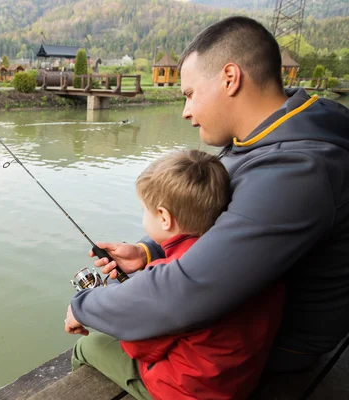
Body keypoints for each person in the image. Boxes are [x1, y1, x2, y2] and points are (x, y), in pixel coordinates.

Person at [65, 13, 349, 389]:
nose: (185, 111)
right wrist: (147, 252)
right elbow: (220, 225)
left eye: (189, 94)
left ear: (230, 78)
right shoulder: (264, 140)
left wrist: (84, 305)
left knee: (96, 345)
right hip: (249, 328)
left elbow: (186, 292)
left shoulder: (299, 171)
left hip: (272, 351)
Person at [70, 149, 285, 400]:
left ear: (163, 217)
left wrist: (111, 309)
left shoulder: (176, 281)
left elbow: (137, 346)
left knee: (87, 346)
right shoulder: (245, 255)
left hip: (190, 391)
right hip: (238, 378)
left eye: (144, 210)